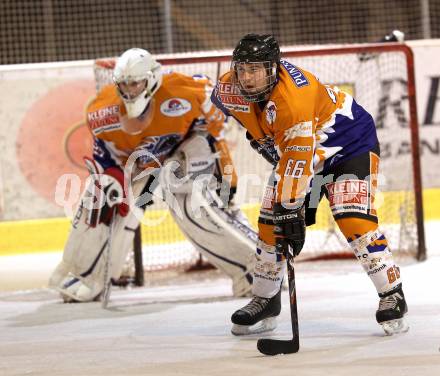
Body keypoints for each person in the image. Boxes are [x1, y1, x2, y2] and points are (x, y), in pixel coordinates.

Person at [211, 34, 408, 336]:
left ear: (273, 69)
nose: (247, 78)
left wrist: (292, 209)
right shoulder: (229, 88)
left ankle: (391, 292)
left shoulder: (294, 101)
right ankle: (265, 299)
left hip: (348, 144)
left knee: (352, 217)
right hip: (300, 149)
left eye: (256, 69)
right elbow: (244, 121)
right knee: (269, 224)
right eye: (242, 69)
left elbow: (298, 160)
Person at [49, 47, 256, 302]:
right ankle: (86, 277)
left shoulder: (188, 91)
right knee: (99, 199)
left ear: (152, 78)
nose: (129, 90)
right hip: (138, 161)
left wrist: (226, 178)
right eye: (123, 85)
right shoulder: (102, 111)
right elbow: (104, 157)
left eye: (135, 83)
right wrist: (114, 181)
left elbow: (218, 129)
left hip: (187, 145)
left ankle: (254, 270)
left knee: (191, 202)